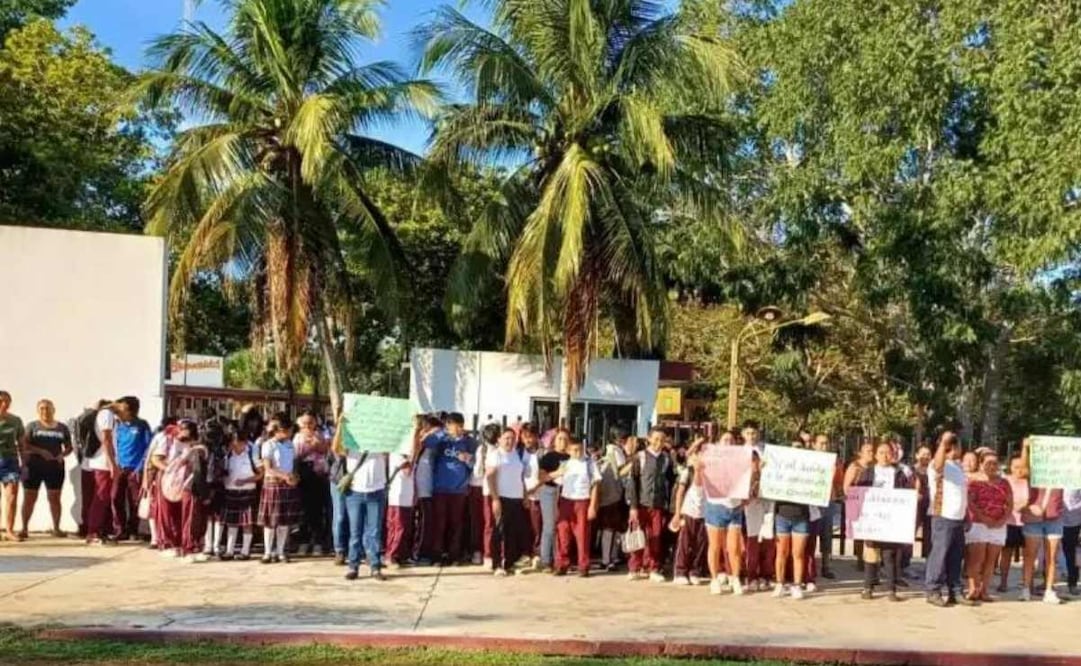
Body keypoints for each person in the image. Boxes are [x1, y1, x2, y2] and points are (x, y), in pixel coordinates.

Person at [332, 419, 388, 581]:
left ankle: (375, 566)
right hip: (355, 492)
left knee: (374, 532)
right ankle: (353, 566)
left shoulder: (381, 443)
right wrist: (341, 426)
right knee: (355, 532)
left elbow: (401, 445)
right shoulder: (352, 443)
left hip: (376, 491)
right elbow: (336, 448)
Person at [855, 441, 912, 601]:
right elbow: (860, 491)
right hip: (872, 520)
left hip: (891, 522)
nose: (884, 456)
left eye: (887, 452)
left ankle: (891, 590)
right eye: (881, 452)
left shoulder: (899, 474)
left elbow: (906, 494)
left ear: (893, 455)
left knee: (889, 556)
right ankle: (868, 587)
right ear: (875, 455)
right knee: (871, 554)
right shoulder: (868, 472)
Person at [924, 431, 971, 607]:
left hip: (957, 518)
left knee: (955, 556)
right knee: (939, 555)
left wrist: (966, 515)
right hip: (943, 516)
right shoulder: (937, 463)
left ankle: (955, 591)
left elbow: (961, 493)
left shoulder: (958, 466)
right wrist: (943, 443)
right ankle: (933, 590)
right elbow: (937, 465)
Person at [699, 430, 747, 596]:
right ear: (718, 443)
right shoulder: (710, 458)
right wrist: (698, 467)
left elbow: (747, 481)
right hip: (716, 505)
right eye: (725, 439)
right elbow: (699, 480)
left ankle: (735, 578)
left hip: (734, 507)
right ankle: (714, 579)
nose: (728, 442)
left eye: (731, 440)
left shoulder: (741, 459)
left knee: (734, 548)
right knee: (715, 545)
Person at [425, 412, 475, 566]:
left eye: (461, 426)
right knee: (439, 524)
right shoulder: (442, 440)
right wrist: (443, 433)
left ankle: (454, 555)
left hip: (459, 490)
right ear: (448, 425)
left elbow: (474, 465)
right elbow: (427, 443)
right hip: (440, 488)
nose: (459, 429)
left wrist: (467, 459)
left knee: (456, 524)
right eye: (455, 426)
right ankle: (437, 555)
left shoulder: (468, 442)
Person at [1018, 438, 1064, 604]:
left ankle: (1049, 590)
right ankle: (1025, 589)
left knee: (1052, 557)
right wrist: (1025, 449)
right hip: (1034, 516)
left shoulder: (1064, 472)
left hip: (1055, 516)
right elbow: (1022, 471)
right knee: (1030, 555)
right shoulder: (1035, 470)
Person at [626, 428, 675, 583]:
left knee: (656, 537)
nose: (658, 443)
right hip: (641, 504)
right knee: (637, 536)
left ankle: (653, 567)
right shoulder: (639, 457)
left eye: (661, 439)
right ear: (648, 439)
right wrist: (633, 506)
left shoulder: (666, 459)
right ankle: (634, 567)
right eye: (655, 439)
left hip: (658, 504)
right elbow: (632, 482)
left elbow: (671, 482)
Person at [19, 399, 71, 539]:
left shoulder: (62, 428)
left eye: (48, 408)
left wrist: (62, 454)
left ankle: (56, 528)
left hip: (55, 467)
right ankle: (24, 528)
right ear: (38, 410)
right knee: (30, 497)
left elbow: (69, 447)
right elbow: (24, 445)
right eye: (42, 408)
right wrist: (40, 451)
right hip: (34, 466)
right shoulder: (32, 426)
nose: (45, 411)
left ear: (53, 409)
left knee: (54, 498)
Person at [963, 450, 1010, 602]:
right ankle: (973, 588)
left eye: (995, 463)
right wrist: (984, 518)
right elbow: (970, 502)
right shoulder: (974, 481)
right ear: (981, 464)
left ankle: (984, 590)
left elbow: (1009, 503)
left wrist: (1002, 520)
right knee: (977, 559)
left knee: (991, 560)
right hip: (978, 523)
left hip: (998, 525)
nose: (992, 466)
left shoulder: (1004, 482)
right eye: (988, 463)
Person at [554, 436, 601, 577]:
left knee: (582, 535)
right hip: (566, 501)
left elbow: (596, 485)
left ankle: (583, 565)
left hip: (582, 501)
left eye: (580, 449)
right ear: (568, 450)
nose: (578, 452)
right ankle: (562, 564)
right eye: (574, 450)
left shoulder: (589, 463)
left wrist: (593, 506)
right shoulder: (565, 464)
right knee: (563, 534)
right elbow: (558, 483)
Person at [486, 427, 528, 576]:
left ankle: (509, 563)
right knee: (500, 532)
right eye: (506, 438)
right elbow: (490, 477)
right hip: (502, 497)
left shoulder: (516, 455)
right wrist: (495, 498)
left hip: (516, 498)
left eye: (512, 438)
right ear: (499, 439)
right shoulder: (495, 455)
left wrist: (525, 496)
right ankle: (497, 564)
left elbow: (520, 478)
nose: (510, 441)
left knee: (513, 532)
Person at [259, 420, 302, 564]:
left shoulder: (290, 444)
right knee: (271, 521)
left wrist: (294, 477)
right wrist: (284, 476)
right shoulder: (268, 445)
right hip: (273, 483)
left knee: (284, 521)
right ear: (280, 430)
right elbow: (268, 468)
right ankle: (267, 552)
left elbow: (294, 464)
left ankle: (280, 551)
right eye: (288, 431)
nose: (290, 434)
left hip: (288, 484)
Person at [111, 397, 152, 542]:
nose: (120, 411)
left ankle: (133, 529)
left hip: (136, 469)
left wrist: (141, 467)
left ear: (132, 410)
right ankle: (120, 530)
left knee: (135, 501)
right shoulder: (118, 426)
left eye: (123, 408)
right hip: (121, 468)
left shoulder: (142, 425)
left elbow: (148, 448)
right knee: (116, 498)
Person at [221, 422, 262, 560]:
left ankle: (245, 551)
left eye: (239, 443)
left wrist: (246, 481)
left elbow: (261, 473)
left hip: (247, 491)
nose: (236, 446)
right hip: (230, 490)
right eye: (234, 443)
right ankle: (229, 550)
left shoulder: (252, 452)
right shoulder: (227, 453)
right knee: (231, 522)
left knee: (247, 522)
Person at [149, 421, 189, 557]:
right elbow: (155, 458)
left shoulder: (190, 442)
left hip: (183, 480)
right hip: (167, 478)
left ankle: (180, 543)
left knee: (181, 512)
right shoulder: (166, 440)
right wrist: (169, 469)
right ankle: (167, 543)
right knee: (166, 512)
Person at [83, 400, 120, 545]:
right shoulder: (107, 414)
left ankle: (102, 530)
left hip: (103, 461)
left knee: (104, 498)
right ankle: (93, 532)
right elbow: (106, 439)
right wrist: (112, 463)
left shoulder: (105, 415)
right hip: (103, 462)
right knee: (101, 497)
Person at [671, 438, 707, 586]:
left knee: (701, 543)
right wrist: (677, 513)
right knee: (685, 542)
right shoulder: (688, 471)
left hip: (705, 512)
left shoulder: (713, 473)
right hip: (688, 511)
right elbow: (680, 492)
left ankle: (695, 571)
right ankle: (680, 571)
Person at [294, 411, 329, 556]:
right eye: (305, 423)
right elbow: (296, 457)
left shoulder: (320, 435)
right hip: (304, 473)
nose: (308, 426)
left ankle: (317, 542)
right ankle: (303, 542)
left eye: (311, 423)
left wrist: (317, 443)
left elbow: (325, 450)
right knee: (304, 510)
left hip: (319, 475)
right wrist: (309, 447)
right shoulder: (297, 438)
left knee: (317, 510)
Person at [596, 426, 631, 572]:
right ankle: (608, 559)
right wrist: (632, 462)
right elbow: (621, 472)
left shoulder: (608, 450)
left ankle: (610, 557)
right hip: (613, 494)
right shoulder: (615, 451)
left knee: (610, 528)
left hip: (607, 493)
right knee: (610, 528)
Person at [536, 428, 571, 573]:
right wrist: (558, 473)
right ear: (554, 441)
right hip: (550, 491)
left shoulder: (572, 456)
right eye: (559, 439)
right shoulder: (548, 457)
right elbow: (542, 477)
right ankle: (546, 560)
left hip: (567, 493)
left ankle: (560, 558)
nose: (562, 442)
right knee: (549, 526)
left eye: (565, 438)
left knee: (563, 527)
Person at [471, 423, 501, 566]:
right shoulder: (483, 450)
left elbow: (477, 472)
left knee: (491, 524)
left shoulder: (484, 449)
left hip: (493, 490)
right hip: (488, 490)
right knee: (489, 523)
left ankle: (490, 553)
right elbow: (478, 472)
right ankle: (487, 553)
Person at [843, 439, 876, 570]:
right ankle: (859, 559)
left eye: (872, 451)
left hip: (871, 504)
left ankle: (870, 559)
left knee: (870, 533)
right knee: (858, 533)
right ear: (861, 453)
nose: (871, 453)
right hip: (857, 503)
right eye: (868, 451)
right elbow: (846, 487)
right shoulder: (854, 466)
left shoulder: (874, 467)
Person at [384, 441, 416, 569]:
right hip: (397, 496)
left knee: (405, 527)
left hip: (407, 495)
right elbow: (407, 470)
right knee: (398, 527)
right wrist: (414, 454)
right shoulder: (397, 454)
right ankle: (391, 554)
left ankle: (401, 555)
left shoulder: (407, 454)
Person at [813, 434, 841, 579]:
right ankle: (810, 566)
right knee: (810, 535)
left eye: (826, 444)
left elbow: (837, 482)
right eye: (821, 443)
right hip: (812, 500)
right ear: (814, 445)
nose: (824, 446)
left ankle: (826, 565)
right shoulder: (808, 460)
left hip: (828, 500)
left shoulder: (833, 461)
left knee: (826, 535)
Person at [0, 391, 25, 542]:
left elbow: (21, 443)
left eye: (7, 401)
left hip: (10, 462)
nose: (4, 404)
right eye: (1, 401)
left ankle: (9, 530)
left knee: (12, 496)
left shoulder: (15, 421)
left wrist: (24, 463)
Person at [913, 445, 933, 559]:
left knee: (929, 533)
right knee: (911, 530)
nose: (926, 456)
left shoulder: (934, 470)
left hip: (930, 503)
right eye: (923, 454)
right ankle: (905, 561)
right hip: (915, 504)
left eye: (928, 454)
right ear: (917, 455)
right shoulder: (911, 470)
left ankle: (927, 559)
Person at [1062, 488, 1081, 597]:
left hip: (1074, 522)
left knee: (1072, 554)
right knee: (1049, 553)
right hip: (1054, 519)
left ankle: (1072, 583)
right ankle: (1047, 583)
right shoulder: (1053, 477)